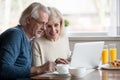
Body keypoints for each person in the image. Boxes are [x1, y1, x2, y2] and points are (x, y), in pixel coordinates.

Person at [0, 2, 55, 80]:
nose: (44, 28)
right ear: (29, 20)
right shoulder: (15, 35)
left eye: (45, 24)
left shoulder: (29, 39)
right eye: (41, 23)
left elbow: (24, 72)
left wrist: (54, 65)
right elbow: (3, 70)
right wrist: (38, 69)